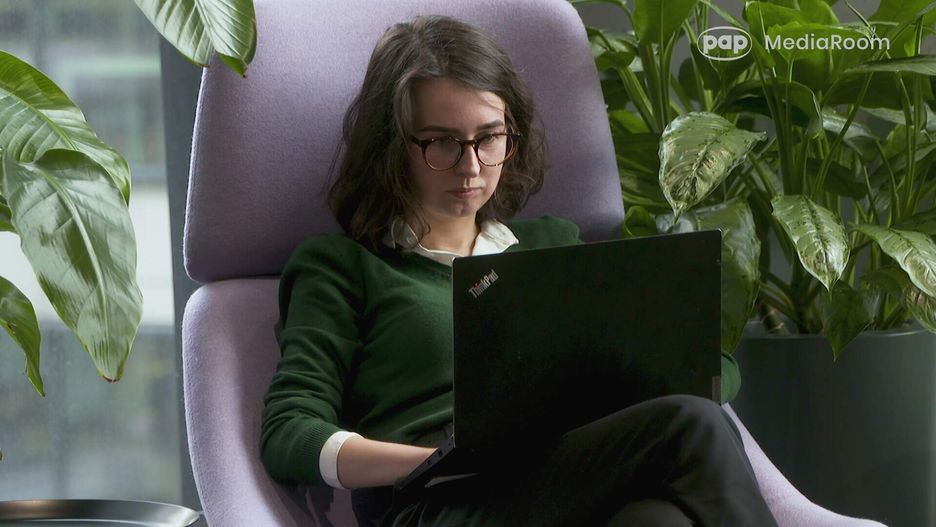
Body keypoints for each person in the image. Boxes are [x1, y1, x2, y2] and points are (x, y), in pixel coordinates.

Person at [260, 14, 778, 527]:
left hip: (562, 479)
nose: (471, 167)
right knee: (691, 423)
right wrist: (432, 462)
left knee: (657, 520)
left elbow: (713, 369)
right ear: (392, 145)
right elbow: (289, 432)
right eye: (441, 142)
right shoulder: (344, 266)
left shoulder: (553, 247)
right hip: (438, 503)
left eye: (489, 138)